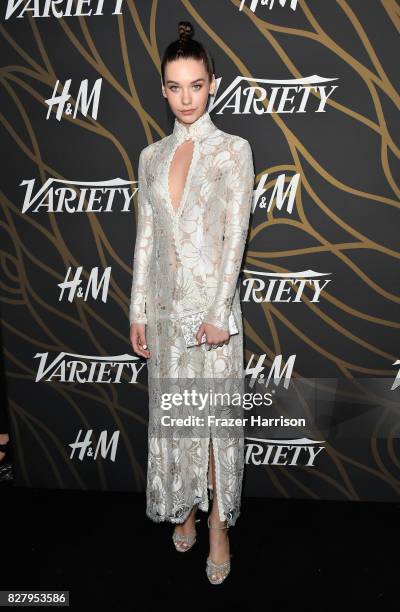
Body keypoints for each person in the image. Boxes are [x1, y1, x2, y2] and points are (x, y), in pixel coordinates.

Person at [129, 20, 255, 585]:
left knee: (211, 424)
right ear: (162, 88)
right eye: (175, 87)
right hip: (163, 311)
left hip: (211, 316)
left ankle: (220, 526)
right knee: (177, 421)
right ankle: (183, 506)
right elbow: (146, 239)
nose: (186, 98)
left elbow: (236, 238)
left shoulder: (233, 151)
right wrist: (137, 311)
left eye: (196, 85)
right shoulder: (150, 157)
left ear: (213, 85)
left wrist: (219, 314)